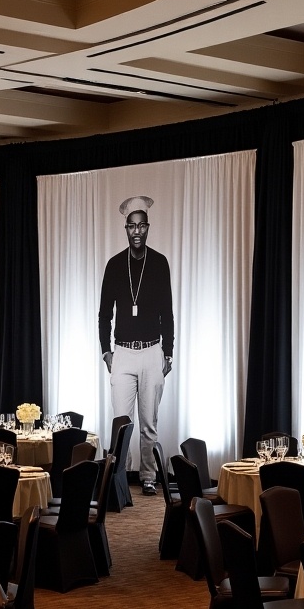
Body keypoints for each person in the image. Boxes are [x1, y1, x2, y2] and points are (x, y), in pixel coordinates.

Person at [99, 195, 175, 496]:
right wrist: (106, 351)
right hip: (124, 352)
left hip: (152, 350)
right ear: (125, 228)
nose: (137, 231)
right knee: (121, 423)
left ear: (148, 227)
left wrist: (168, 351)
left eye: (142, 225)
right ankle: (118, 480)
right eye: (132, 226)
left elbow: (167, 312)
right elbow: (105, 313)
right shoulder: (115, 265)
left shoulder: (159, 263)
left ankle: (147, 476)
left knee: (149, 423)